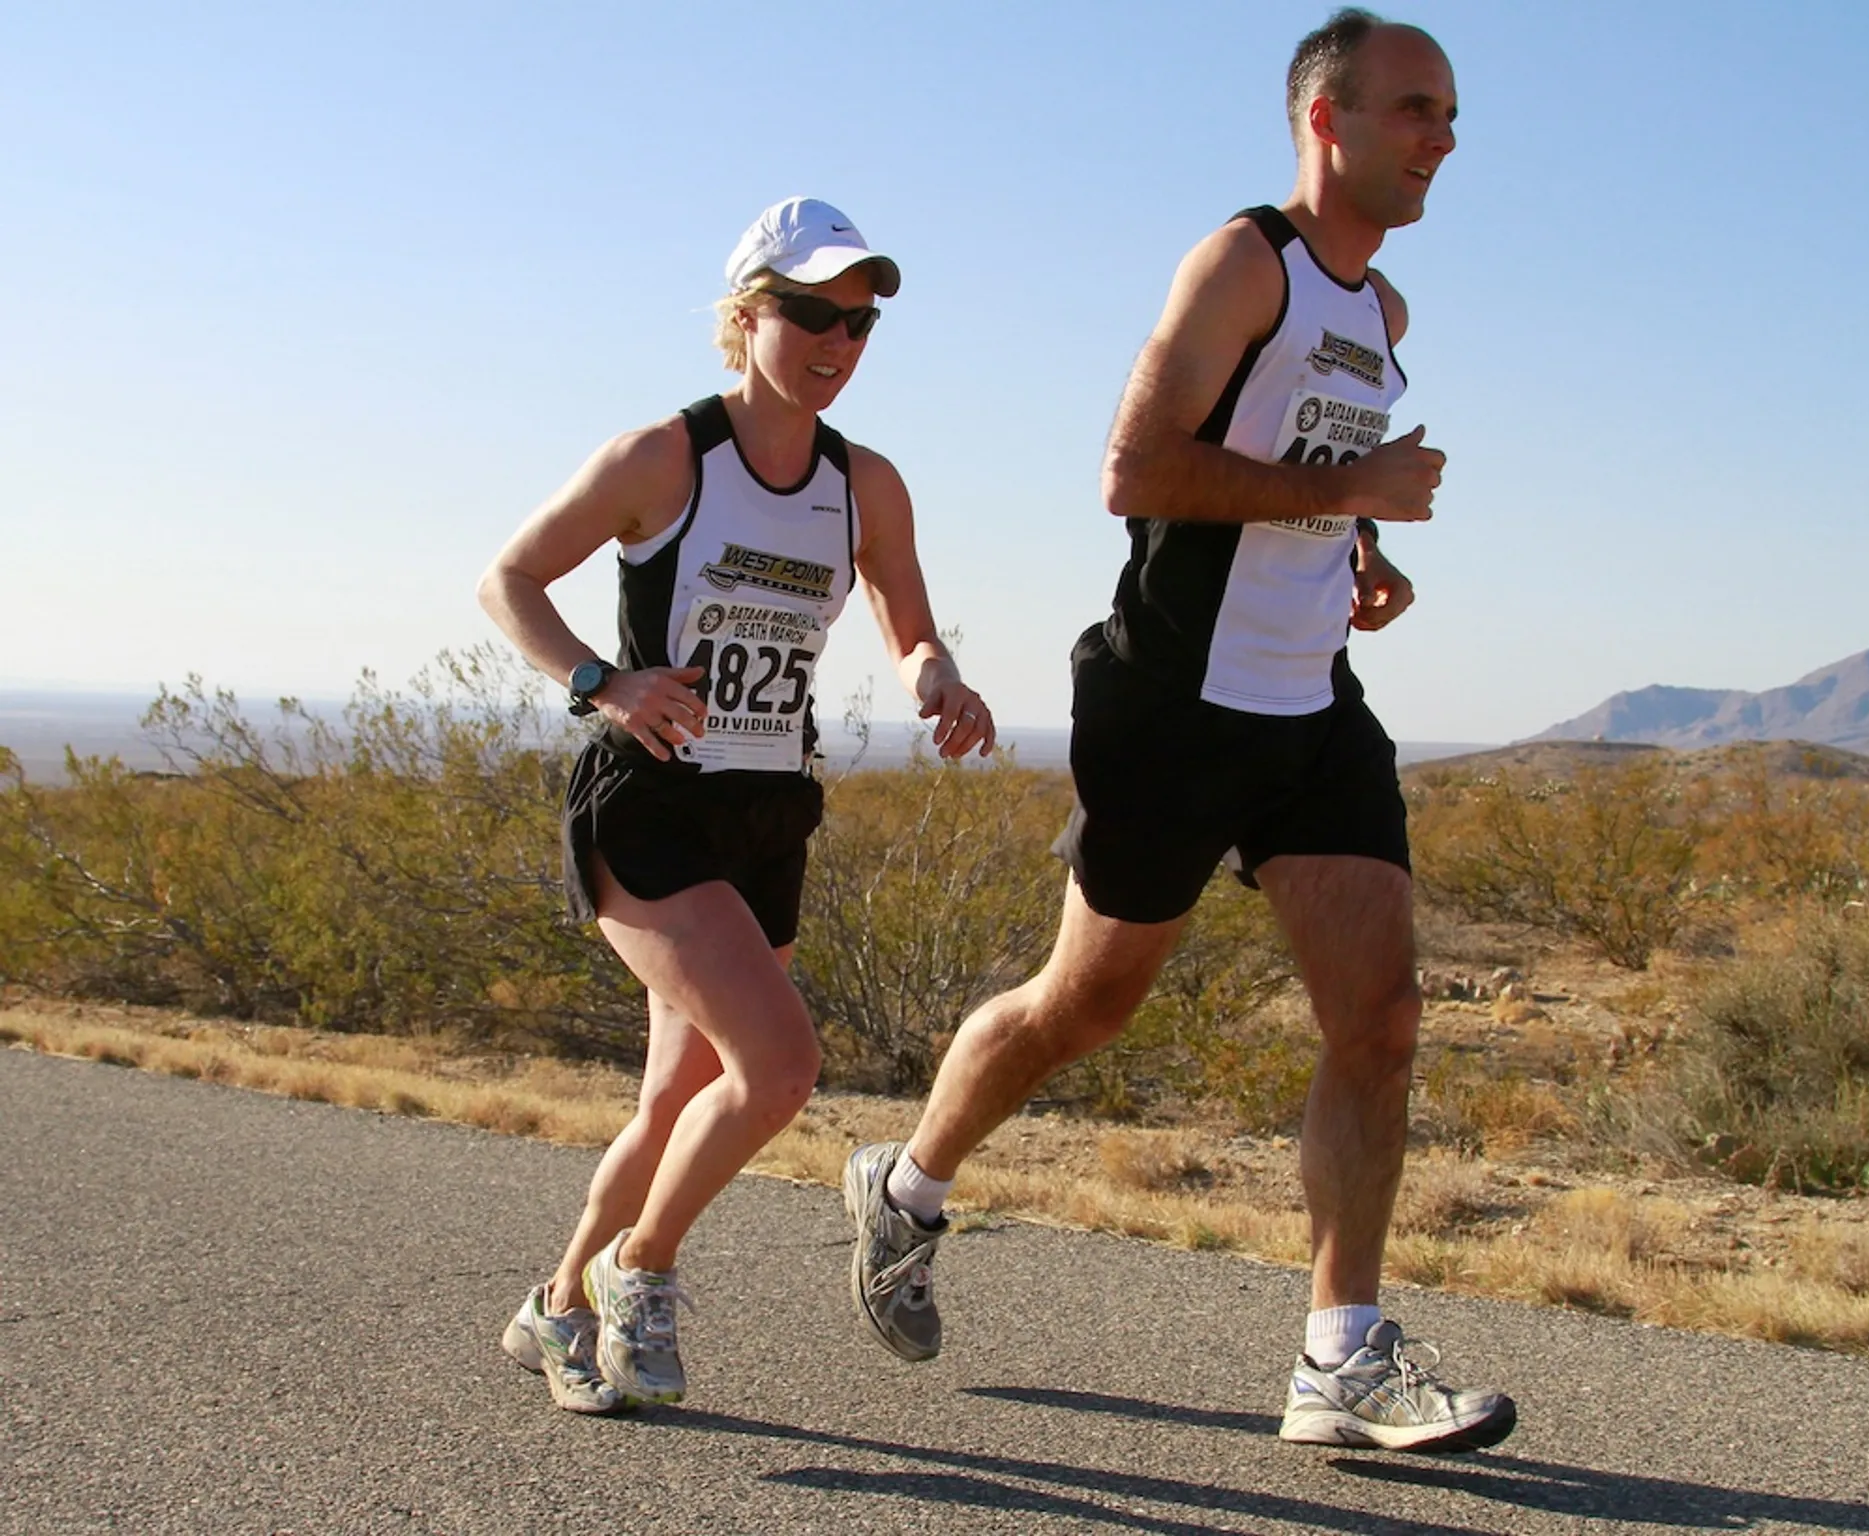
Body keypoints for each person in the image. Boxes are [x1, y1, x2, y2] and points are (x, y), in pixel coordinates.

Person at [843, 10, 1516, 1452]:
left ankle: (1342, 1358)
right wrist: (1358, 493)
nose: (1443, 138)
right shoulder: (1245, 265)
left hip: (1309, 710)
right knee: (1083, 1006)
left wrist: (1359, 552)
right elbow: (1135, 471)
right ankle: (905, 1184)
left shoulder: (1383, 313)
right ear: (1325, 121)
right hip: (1172, 707)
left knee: (1383, 1019)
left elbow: (1308, 477)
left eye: (1451, 115)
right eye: (1416, 109)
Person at [481, 196, 995, 1413]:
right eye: (813, 312)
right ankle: (637, 1275)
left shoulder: (864, 483)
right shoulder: (666, 456)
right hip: (650, 806)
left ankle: (555, 1307)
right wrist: (603, 683)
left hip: (767, 814)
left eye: (860, 322)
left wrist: (939, 677)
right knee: (777, 1068)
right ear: (747, 312)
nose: (839, 340)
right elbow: (509, 580)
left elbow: (907, 621)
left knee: (674, 1101)